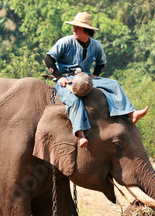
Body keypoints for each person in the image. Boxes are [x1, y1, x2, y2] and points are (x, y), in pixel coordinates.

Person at [44, 11, 148, 147]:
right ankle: (80, 134)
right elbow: (48, 59)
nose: (74, 30)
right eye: (74, 27)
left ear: (87, 31)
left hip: (86, 78)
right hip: (67, 79)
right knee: (74, 100)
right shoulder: (65, 42)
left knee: (114, 84)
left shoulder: (96, 46)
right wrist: (59, 78)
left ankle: (131, 113)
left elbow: (101, 62)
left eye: (78, 28)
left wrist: (95, 74)